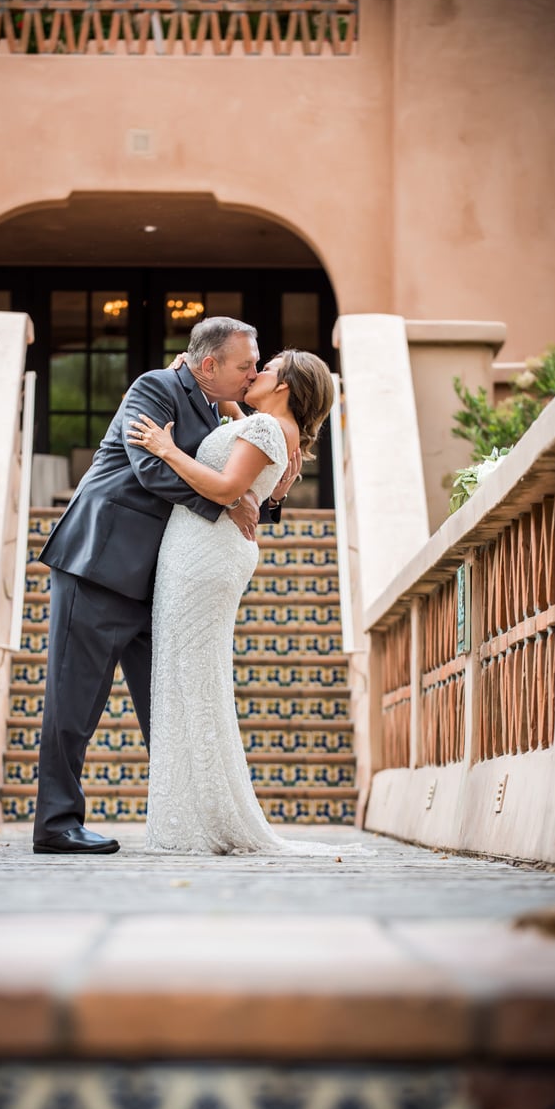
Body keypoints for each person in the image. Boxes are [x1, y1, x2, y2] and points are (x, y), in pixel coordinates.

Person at [32, 317, 299, 855]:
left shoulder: (219, 407)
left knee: (172, 705)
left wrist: (260, 492)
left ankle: (193, 820)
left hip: (164, 583)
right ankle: (56, 824)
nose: (253, 374)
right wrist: (225, 502)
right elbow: (150, 469)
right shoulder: (154, 387)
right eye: (246, 365)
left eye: (257, 366)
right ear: (209, 365)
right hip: (100, 564)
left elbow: (239, 479)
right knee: (74, 701)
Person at [127, 349, 363, 856]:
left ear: (284, 386)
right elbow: (241, 442)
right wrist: (208, 379)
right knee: (190, 675)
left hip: (205, 554)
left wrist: (165, 448)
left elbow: (226, 487)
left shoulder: (267, 429)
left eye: (266, 369)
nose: (255, 373)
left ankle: (204, 816)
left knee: (192, 676)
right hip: (203, 550)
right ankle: (199, 811)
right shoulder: (268, 426)